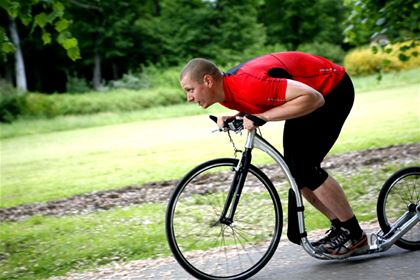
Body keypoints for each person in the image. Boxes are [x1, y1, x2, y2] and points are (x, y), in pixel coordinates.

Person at [179, 51, 369, 258]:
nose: (189, 98)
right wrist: (237, 116)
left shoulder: (248, 84)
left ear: (207, 81)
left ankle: (355, 235)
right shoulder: (226, 92)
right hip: (309, 96)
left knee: (305, 168)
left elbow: (313, 98)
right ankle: (341, 228)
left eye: (190, 90)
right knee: (296, 171)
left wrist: (262, 117)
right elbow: (254, 100)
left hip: (331, 89)